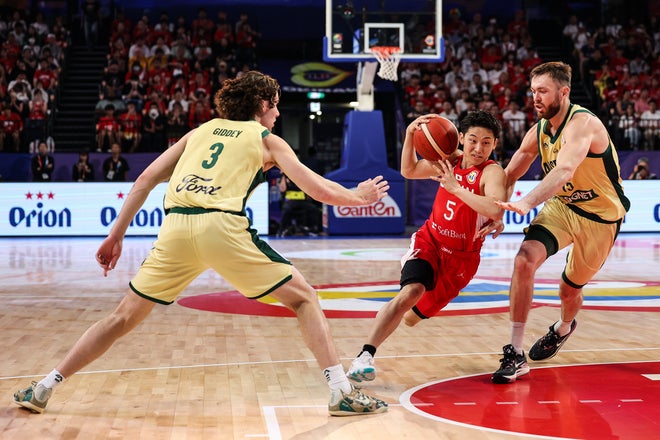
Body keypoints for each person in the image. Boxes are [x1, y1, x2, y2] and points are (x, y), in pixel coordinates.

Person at [13, 70, 389, 417]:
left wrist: (117, 234)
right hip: (221, 226)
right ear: (262, 104)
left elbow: (145, 179)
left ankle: (44, 387)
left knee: (121, 318)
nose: (277, 113)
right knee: (304, 298)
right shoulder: (266, 140)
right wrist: (358, 196)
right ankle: (340, 391)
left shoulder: (200, 132)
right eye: (275, 105)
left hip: (176, 228)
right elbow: (316, 188)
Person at [490, 61, 630, 384]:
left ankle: (563, 327)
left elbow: (565, 170)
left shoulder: (583, 124)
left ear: (563, 92)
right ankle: (515, 353)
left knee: (569, 290)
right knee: (524, 260)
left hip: (600, 218)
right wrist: (496, 213)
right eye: (533, 91)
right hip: (563, 208)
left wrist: (526, 202)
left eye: (542, 91)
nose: (535, 98)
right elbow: (510, 174)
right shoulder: (539, 130)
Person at [347, 110, 506, 383]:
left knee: (410, 317)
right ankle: (364, 356)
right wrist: (410, 134)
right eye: (473, 140)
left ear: (495, 144)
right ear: (461, 138)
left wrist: (456, 189)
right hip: (430, 241)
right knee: (412, 291)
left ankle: (390, 312)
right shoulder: (448, 160)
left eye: (486, 142)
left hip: (461, 260)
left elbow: (495, 208)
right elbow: (408, 171)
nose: (478, 148)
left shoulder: (492, 172)